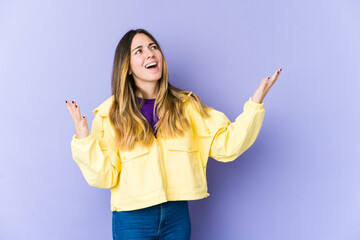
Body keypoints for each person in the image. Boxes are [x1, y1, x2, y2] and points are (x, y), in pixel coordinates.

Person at [65, 28, 282, 240]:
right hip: (132, 220)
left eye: (153, 47)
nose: (150, 53)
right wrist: (84, 139)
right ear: (127, 67)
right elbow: (105, 176)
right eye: (138, 51)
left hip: (177, 218)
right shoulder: (110, 114)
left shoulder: (185, 106)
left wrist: (255, 103)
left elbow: (227, 146)